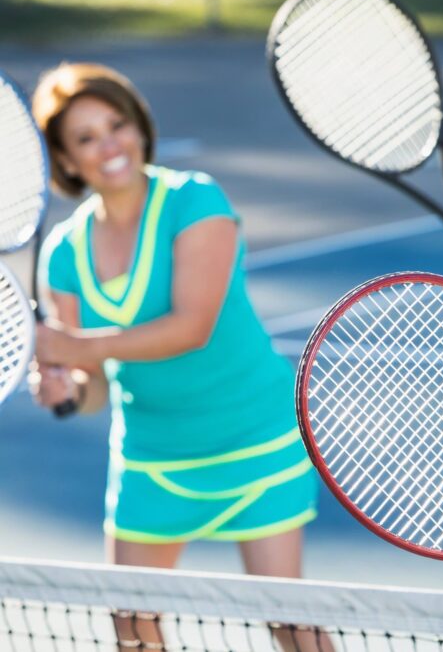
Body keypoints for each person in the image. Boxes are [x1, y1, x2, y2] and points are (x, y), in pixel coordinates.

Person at [29, 62, 330, 652]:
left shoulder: (195, 201)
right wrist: (64, 385)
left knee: (290, 624)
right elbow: (93, 392)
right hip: (152, 459)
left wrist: (77, 348)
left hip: (256, 441)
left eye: (116, 124)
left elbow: (191, 328)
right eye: (86, 138)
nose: (109, 145)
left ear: (138, 125)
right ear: (65, 160)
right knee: (133, 629)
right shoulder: (63, 254)